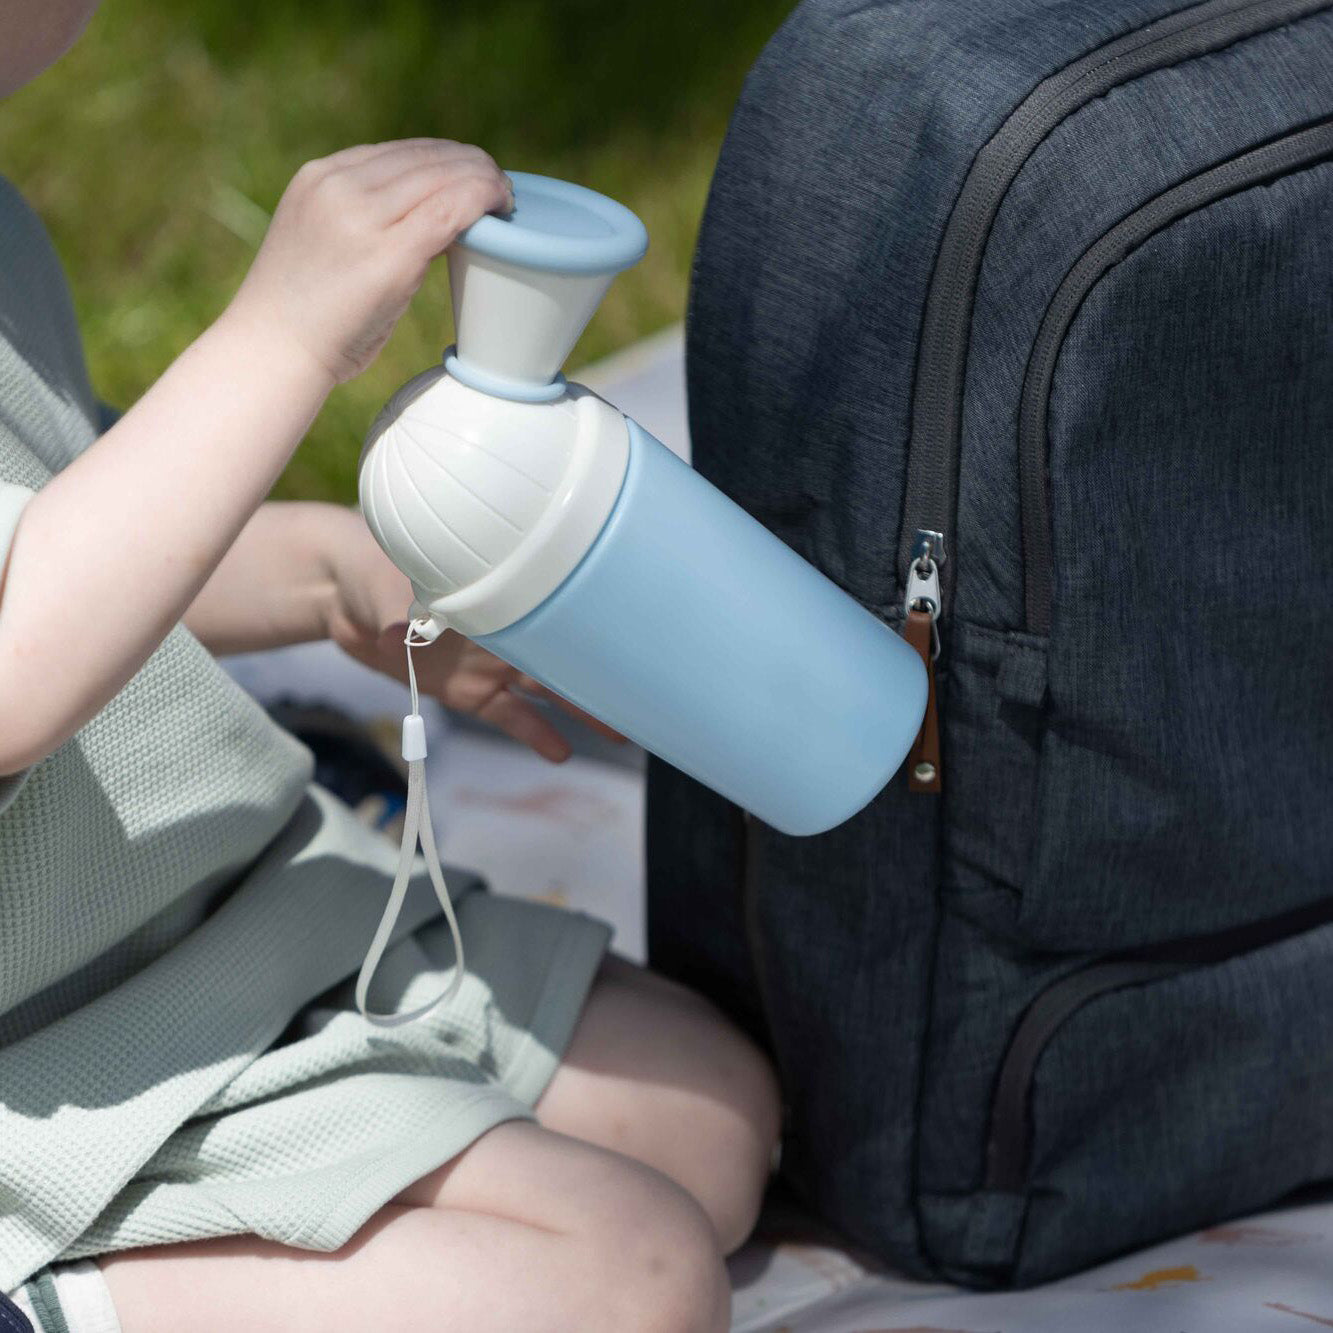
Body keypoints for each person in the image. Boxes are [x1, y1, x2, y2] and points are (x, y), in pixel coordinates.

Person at [0, 4, 780, 1330]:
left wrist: (322, 567)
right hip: (44, 1074)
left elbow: (68, 515)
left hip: (177, 917)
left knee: (706, 1118)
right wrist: (280, 337)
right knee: (627, 1283)